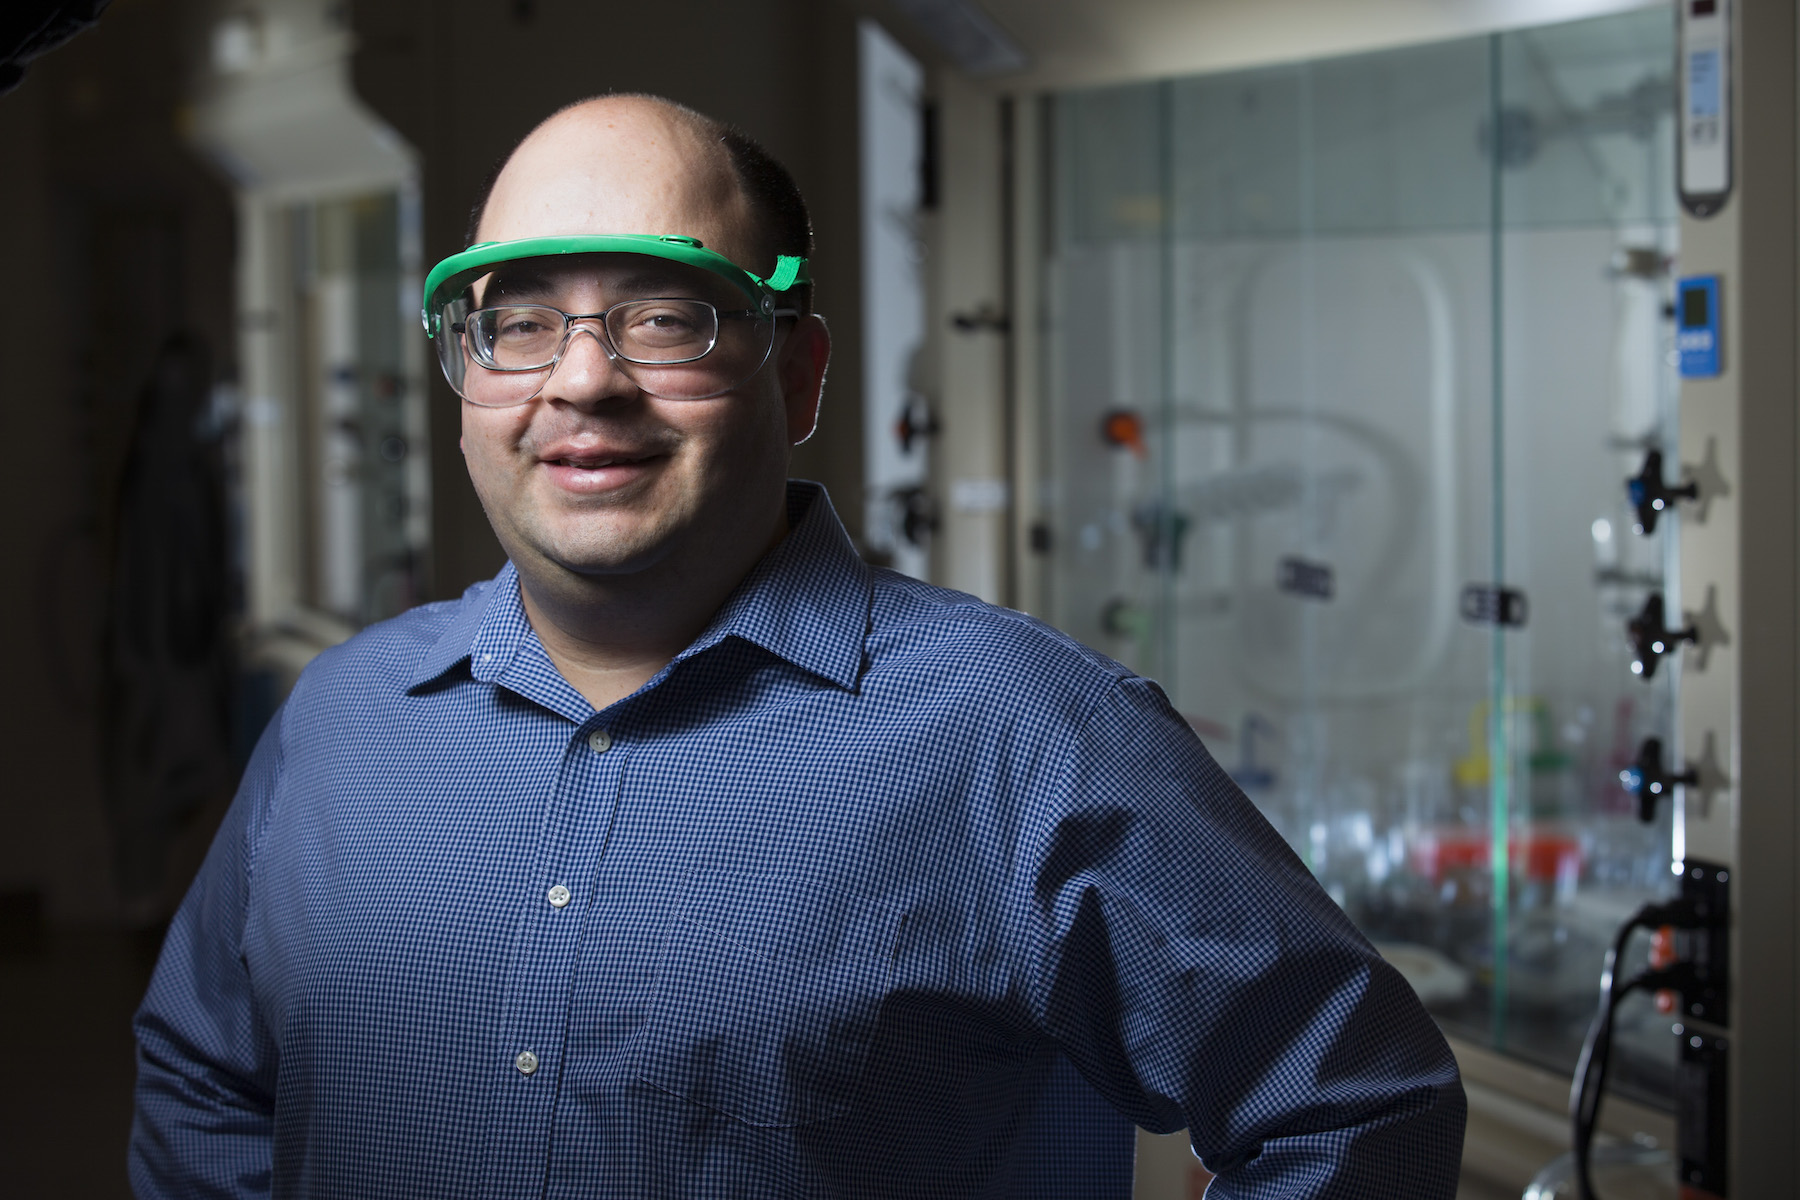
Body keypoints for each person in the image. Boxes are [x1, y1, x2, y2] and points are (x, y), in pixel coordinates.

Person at [131, 94, 1465, 1199]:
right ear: (467, 375)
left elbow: (1351, 1112)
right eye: (520, 320)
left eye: (668, 316)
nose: (582, 379)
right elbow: (208, 1086)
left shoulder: (1026, 734)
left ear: (800, 372)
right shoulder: (342, 721)